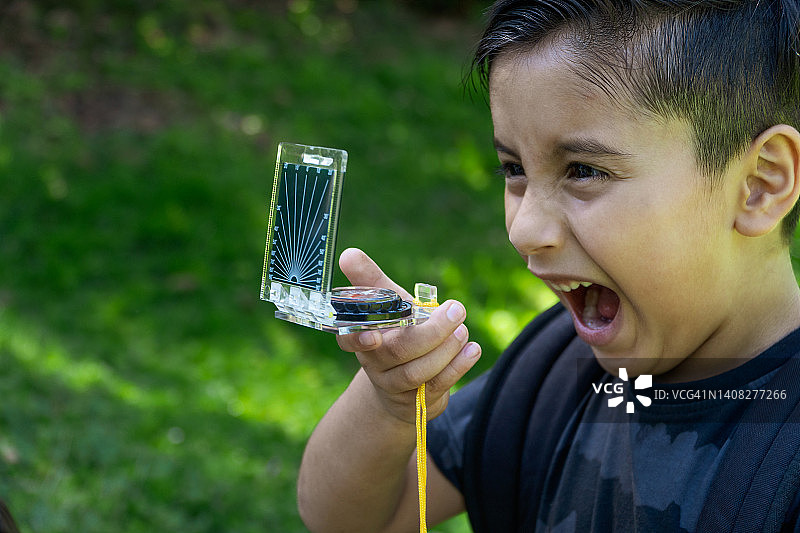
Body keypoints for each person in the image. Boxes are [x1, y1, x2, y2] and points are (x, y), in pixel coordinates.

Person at [296, 0, 800, 531]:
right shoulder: (547, 375)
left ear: (759, 184)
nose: (524, 230)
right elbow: (356, 520)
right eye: (513, 169)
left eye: (583, 170)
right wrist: (390, 404)